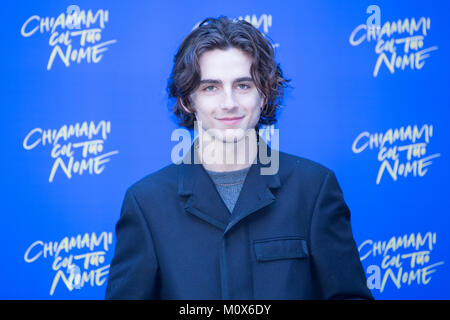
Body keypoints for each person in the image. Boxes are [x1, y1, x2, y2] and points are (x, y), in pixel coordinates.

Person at [105, 16, 373, 300]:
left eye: (243, 85)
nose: (229, 103)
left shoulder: (314, 189)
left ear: (265, 94)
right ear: (188, 100)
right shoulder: (147, 203)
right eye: (211, 87)